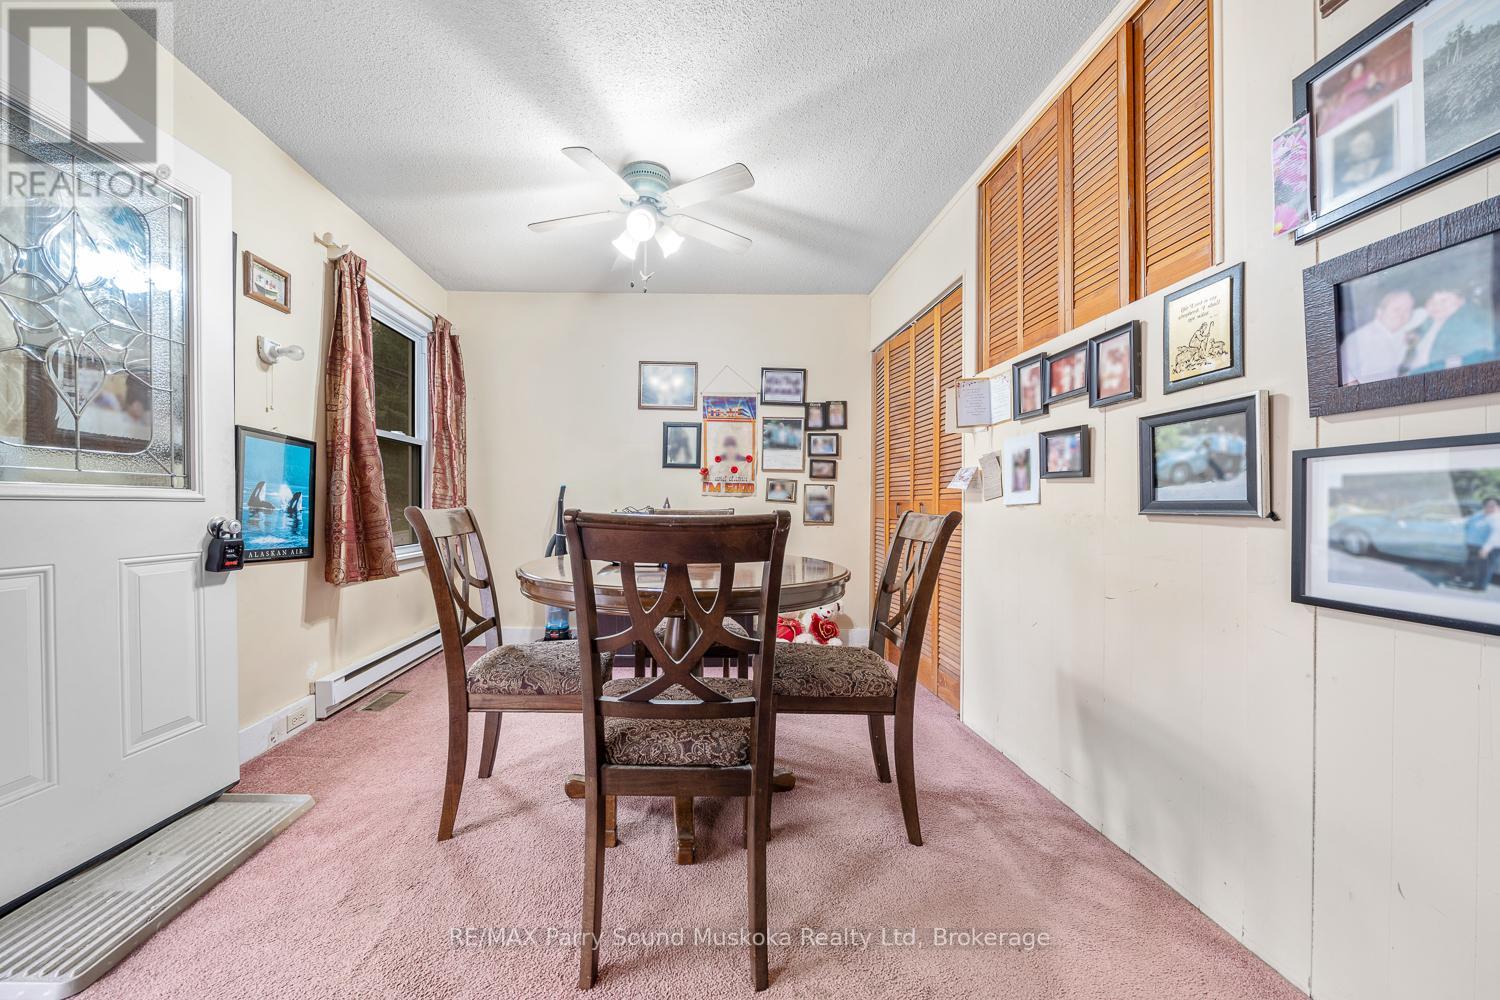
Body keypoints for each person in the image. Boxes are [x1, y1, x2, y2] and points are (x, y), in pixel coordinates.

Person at [1403, 288, 1496, 375]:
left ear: (1461, 301)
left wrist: (1413, 374)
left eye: (1444, 300)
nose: (1436, 305)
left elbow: (1456, 366)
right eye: (1431, 300)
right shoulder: (1430, 321)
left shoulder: (1468, 325)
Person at [1340, 289, 1414, 384]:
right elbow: (1343, 376)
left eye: (1407, 310)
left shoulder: (1404, 336)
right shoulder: (1358, 339)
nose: (1402, 315)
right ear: (1379, 312)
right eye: (1396, 309)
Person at [1462, 497, 1500, 591]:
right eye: (1487, 505)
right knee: (1474, 565)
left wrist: (1486, 549)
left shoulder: (1496, 518)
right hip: (1474, 545)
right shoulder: (1480, 515)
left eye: (1492, 505)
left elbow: (1496, 535)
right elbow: (1468, 523)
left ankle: (1480, 586)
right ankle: (1470, 580)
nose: (1489, 507)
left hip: (1489, 548)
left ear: (1498, 507)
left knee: (1485, 568)